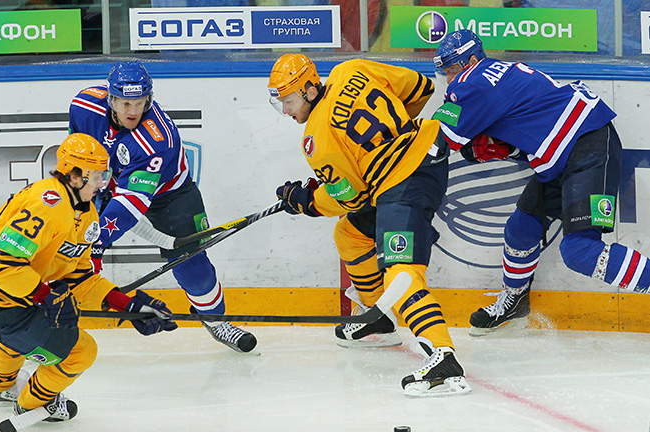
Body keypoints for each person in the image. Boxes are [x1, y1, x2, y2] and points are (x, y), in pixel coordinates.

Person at [268, 53, 471, 397]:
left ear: (309, 90)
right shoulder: (352, 69)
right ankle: (378, 316)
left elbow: (352, 198)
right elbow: (421, 87)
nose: (286, 110)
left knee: (401, 270)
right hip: (428, 151)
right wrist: (385, 141)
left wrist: (308, 202)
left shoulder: (316, 138)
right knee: (350, 234)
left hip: (404, 182)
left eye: (288, 101)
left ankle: (442, 355)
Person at [431, 29, 650, 336]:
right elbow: (531, 122)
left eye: (452, 68)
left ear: (470, 60)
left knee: (579, 251)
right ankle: (515, 302)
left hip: (586, 145)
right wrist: (508, 149)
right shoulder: (498, 72)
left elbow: (437, 143)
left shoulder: (472, 82)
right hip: (563, 151)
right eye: (444, 71)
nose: (449, 77)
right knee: (521, 228)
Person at [0, 133, 177, 428]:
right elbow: (2, 266)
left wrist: (127, 305)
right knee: (81, 352)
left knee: (18, 338)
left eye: (105, 175)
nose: (102, 183)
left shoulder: (85, 213)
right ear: (74, 176)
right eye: (96, 176)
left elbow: (78, 276)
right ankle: (32, 403)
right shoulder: (48, 205)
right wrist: (46, 296)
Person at [68, 60, 257, 353]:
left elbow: (130, 204)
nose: (133, 111)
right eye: (125, 103)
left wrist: (98, 240)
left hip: (170, 194)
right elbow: (79, 157)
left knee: (192, 265)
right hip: (107, 182)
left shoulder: (156, 140)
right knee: (68, 247)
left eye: (140, 102)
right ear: (111, 99)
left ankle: (216, 320)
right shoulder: (84, 107)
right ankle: (51, 320)